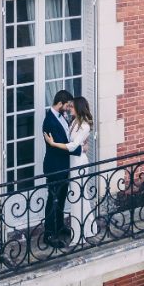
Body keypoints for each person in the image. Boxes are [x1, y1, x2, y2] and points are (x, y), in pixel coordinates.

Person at [45, 96, 95, 243]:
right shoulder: (73, 122)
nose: (69, 109)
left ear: (78, 108)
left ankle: (81, 232)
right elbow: (71, 141)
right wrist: (82, 147)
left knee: (79, 196)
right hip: (71, 162)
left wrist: (53, 144)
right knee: (75, 197)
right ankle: (87, 226)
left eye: (72, 107)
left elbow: (72, 146)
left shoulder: (84, 126)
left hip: (79, 163)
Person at [42, 90, 80, 248]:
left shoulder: (61, 116)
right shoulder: (49, 121)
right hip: (54, 166)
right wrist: (78, 150)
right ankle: (49, 233)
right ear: (60, 103)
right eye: (67, 105)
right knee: (53, 199)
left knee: (61, 197)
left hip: (63, 166)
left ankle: (59, 226)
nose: (68, 108)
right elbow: (58, 147)